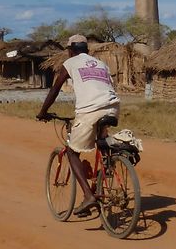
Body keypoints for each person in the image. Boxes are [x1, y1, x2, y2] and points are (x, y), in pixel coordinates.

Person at [37, 34, 120, 216]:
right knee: (102, 143)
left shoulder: (71, 63)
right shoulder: (101, 64)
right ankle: (103, 176)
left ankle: (89, 196)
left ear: (70, 51)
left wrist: (43, 112)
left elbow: (55, 88)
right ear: (87, 50)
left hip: (90, 110)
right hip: (113, 107)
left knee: (73, 153)